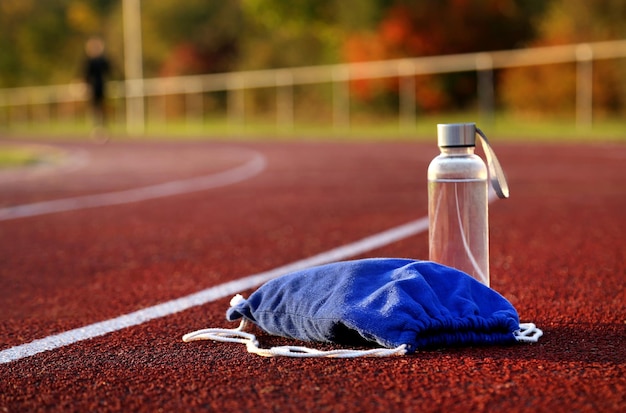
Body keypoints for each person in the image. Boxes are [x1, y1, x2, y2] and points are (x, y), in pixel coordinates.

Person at [83, 36, 111, 140]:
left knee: (102, 108)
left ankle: (103, 128)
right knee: (94, 109)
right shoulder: (88, 61)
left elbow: (109, 70)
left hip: (102, 87)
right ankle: (95, 128)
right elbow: (85, 74)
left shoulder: (103, 60)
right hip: (93, 88)